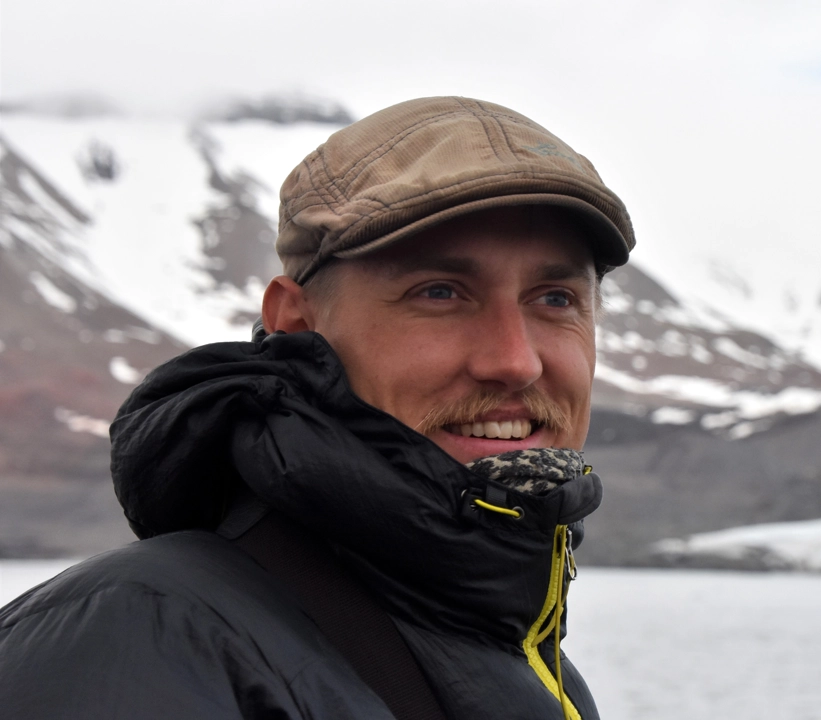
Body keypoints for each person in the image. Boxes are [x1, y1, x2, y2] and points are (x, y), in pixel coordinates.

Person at [0, 96, 635, 719]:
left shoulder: (528, 663)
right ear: (296, 325)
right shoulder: (141, 639)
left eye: (554, 299)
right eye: (440, 292)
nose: (515, 360)